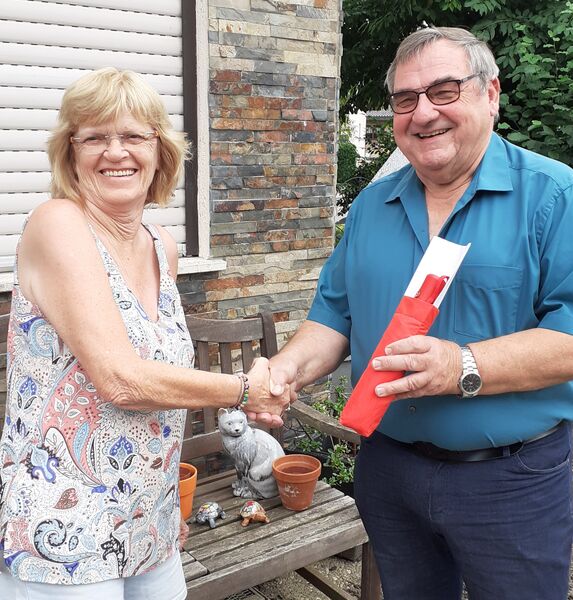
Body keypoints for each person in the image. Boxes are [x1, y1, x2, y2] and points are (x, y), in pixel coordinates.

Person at [261, 26, 573, 600]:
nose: (423, 113)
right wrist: (284, 370)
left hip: (510, 479)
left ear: (490, 94)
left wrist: (462, 365)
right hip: (389, 469)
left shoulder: (555, 196)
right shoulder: (371, 206)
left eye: (444, 91)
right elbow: (333, 316)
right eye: (405, 99)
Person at [0, 67, 290, 599]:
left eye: (134, 135)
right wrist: (246, 390)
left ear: (160, 150)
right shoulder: (57, 223)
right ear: (70, 153)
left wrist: (161, 499)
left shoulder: (163, 247)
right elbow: (121, 380)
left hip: (148, 520)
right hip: (63, 530)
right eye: (94, 137)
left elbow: (163, 391)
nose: (116, 152)